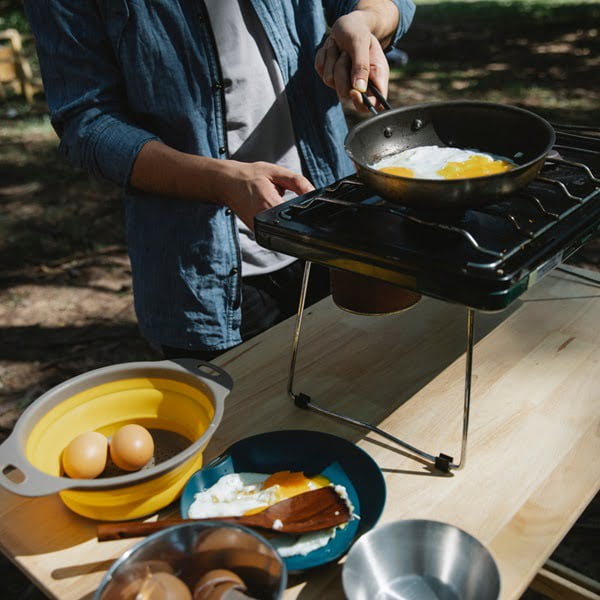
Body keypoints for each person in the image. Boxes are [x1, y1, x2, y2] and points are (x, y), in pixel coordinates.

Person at [23, 1, 415, 361]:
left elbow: (389, 5)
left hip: (335, 235)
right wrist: (219, 182)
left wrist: (365, 22)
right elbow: (88, 125)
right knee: (243, 430)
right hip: (203, 275)